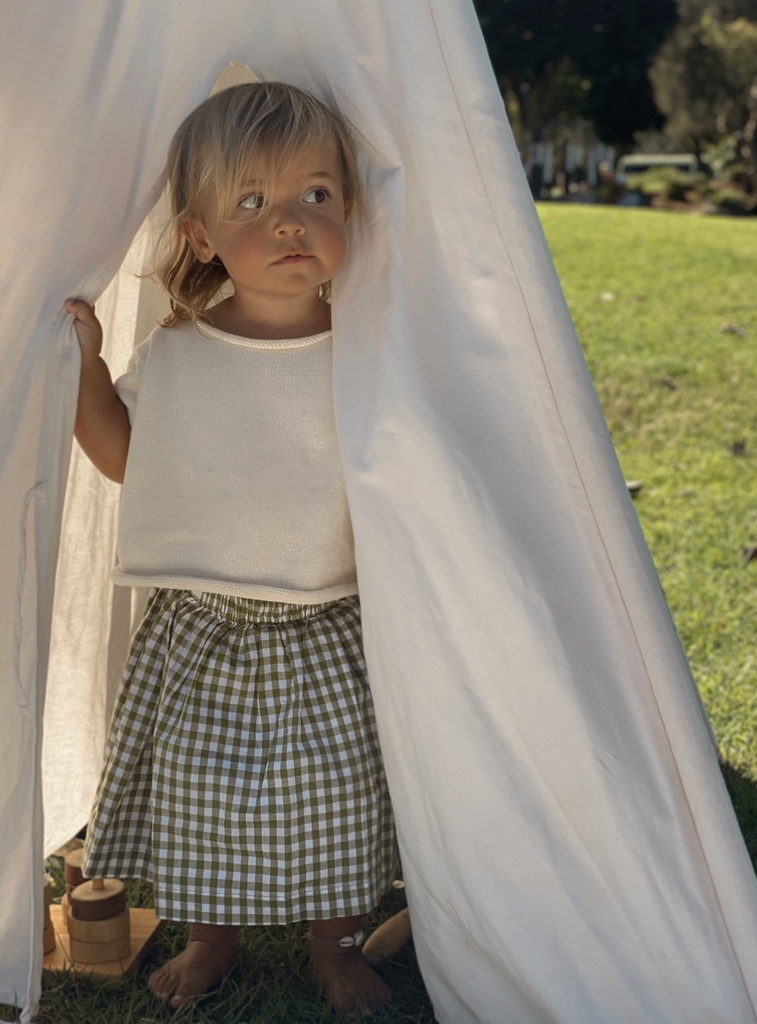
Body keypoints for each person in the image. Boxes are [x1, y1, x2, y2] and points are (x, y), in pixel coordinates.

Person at [64, 81, 397, 1020]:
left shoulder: (368, 347)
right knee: (204, 796)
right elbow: (126, 456)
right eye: (253, 202)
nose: (290, 222)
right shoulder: (178, 352)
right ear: (201, 234)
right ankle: (210, 937)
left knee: (335, 795)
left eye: (315, 195)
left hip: (323, 621)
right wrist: (88, 366)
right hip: (202, 625)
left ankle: (331, 944)